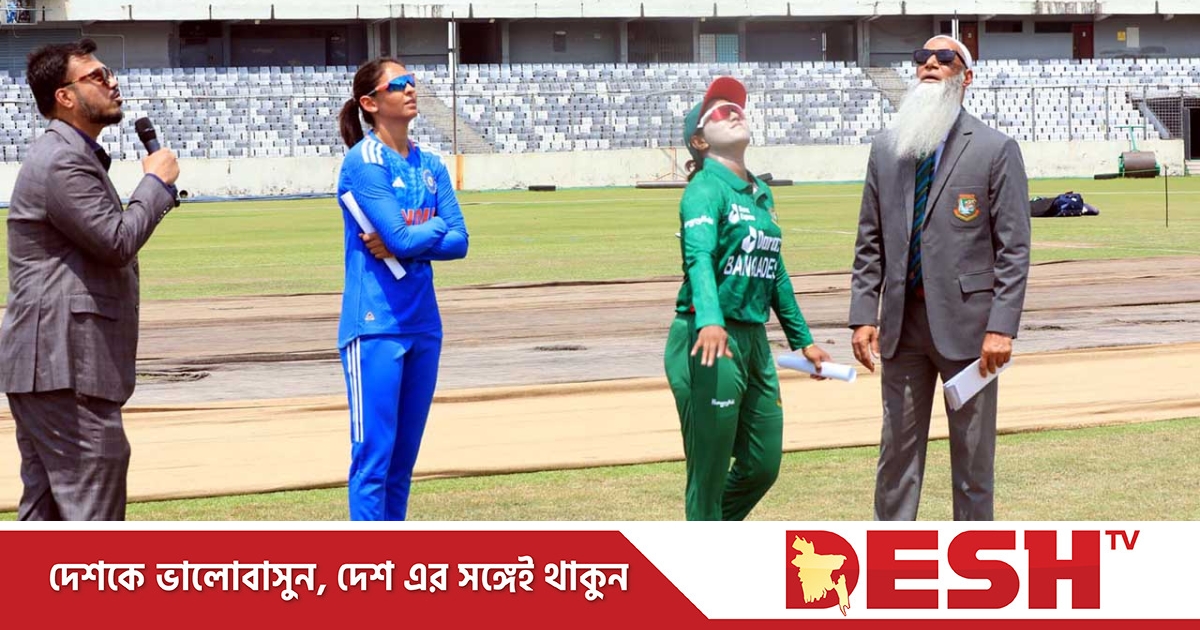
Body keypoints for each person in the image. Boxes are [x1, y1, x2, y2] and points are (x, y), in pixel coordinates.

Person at [848, 35, 1031, 521]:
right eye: (922, 58)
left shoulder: (995, 149)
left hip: (971, 332)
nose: (930, 63)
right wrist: (863, 315)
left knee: (972, 461)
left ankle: (972, 556)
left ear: (965, 77)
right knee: (896, 458)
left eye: (945, 58)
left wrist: (1001, 327)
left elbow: (1014, 249)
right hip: (901, 326)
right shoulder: (888, 149)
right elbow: (870, 240)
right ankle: (891, 553)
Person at [0, 39, 180, 520]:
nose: (112, 82)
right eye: (97, 77)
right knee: (92, 515)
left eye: (109, 73)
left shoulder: (65, 154)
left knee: (47, 512)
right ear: (64, 96)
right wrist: (155, 184)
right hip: (64, 365)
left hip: (48, 366)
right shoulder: (63, 159)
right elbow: (116, 241)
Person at [664, 76, 832, 521]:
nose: (734, 112)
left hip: (754, 339)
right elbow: (698, 258)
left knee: (762, 464)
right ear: (699, 140)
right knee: (709, 472)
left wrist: (803, 340)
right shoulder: (704, 189)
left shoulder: (761, 193)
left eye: (737, 107)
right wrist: (710, 320)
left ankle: (711, 532)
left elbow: (775, 270)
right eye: (720, 111)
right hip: (707, 338)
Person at [335, 57, 469, 521]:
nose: (411, 89)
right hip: (374, 325)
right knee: (374, 459)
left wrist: (415, 235)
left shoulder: (430, 164)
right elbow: (405, 238)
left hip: (423, 323)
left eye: (412, 81)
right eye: (399, 84)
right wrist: (430, 229)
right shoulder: (364, 162)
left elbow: (460, 242)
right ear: (370, 103)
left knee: (403, 464)